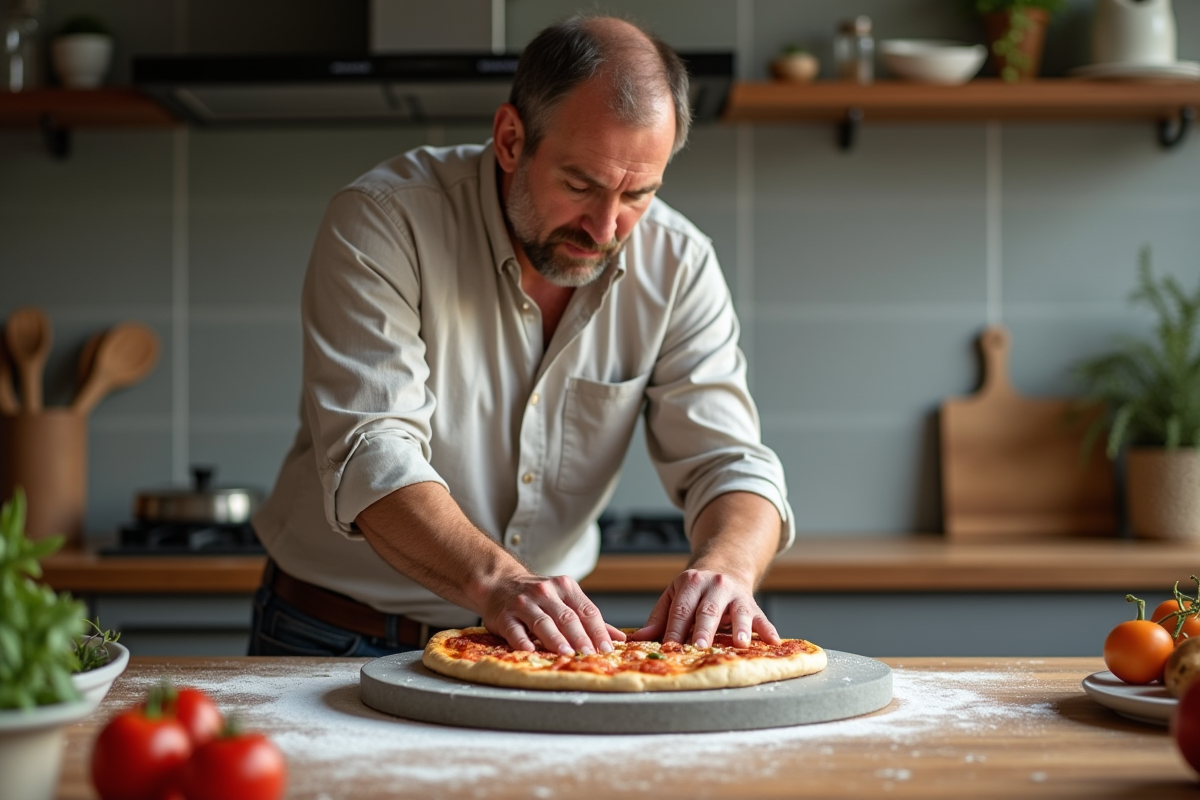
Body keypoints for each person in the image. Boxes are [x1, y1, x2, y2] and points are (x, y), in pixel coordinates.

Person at [249, 14, 795, 659]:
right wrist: (501, 583)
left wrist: (729, 566)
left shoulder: (679, 262)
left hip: (532, 644)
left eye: (637, 195)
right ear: (511, 139)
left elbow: (728, 461)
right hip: (333, 635)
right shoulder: (385, 222)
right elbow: (374, 451)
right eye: (579, 185)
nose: (604, 229)